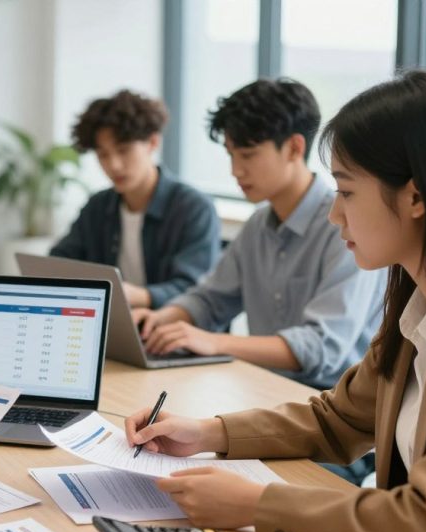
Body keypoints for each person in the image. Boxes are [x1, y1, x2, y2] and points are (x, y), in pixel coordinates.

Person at [125, 71, 426, 532]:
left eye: (347, 192)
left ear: (416, 198)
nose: (334, 215)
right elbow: (337, 420)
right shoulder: (421, 301)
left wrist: (256, 505)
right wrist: (205, 432)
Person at [135, 79, 385, 390]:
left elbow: (322, 347)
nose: (235, 170)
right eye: (230, 155)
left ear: (294, 147)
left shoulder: (345, 227)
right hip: (265, 391)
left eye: (248, 155)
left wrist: (215, 342)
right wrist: (164, 319)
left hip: (332, 406)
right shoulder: (257, 226)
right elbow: (211, 299)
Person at [50, 89, 220, 309]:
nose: (114, 165)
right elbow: (59, 263)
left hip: (166, 329)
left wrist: (130, 294)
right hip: (110, 323)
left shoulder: (193, 208)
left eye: (124, 150)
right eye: (103, 155)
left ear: (152, 143)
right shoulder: (98, 206)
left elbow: (195, 289)